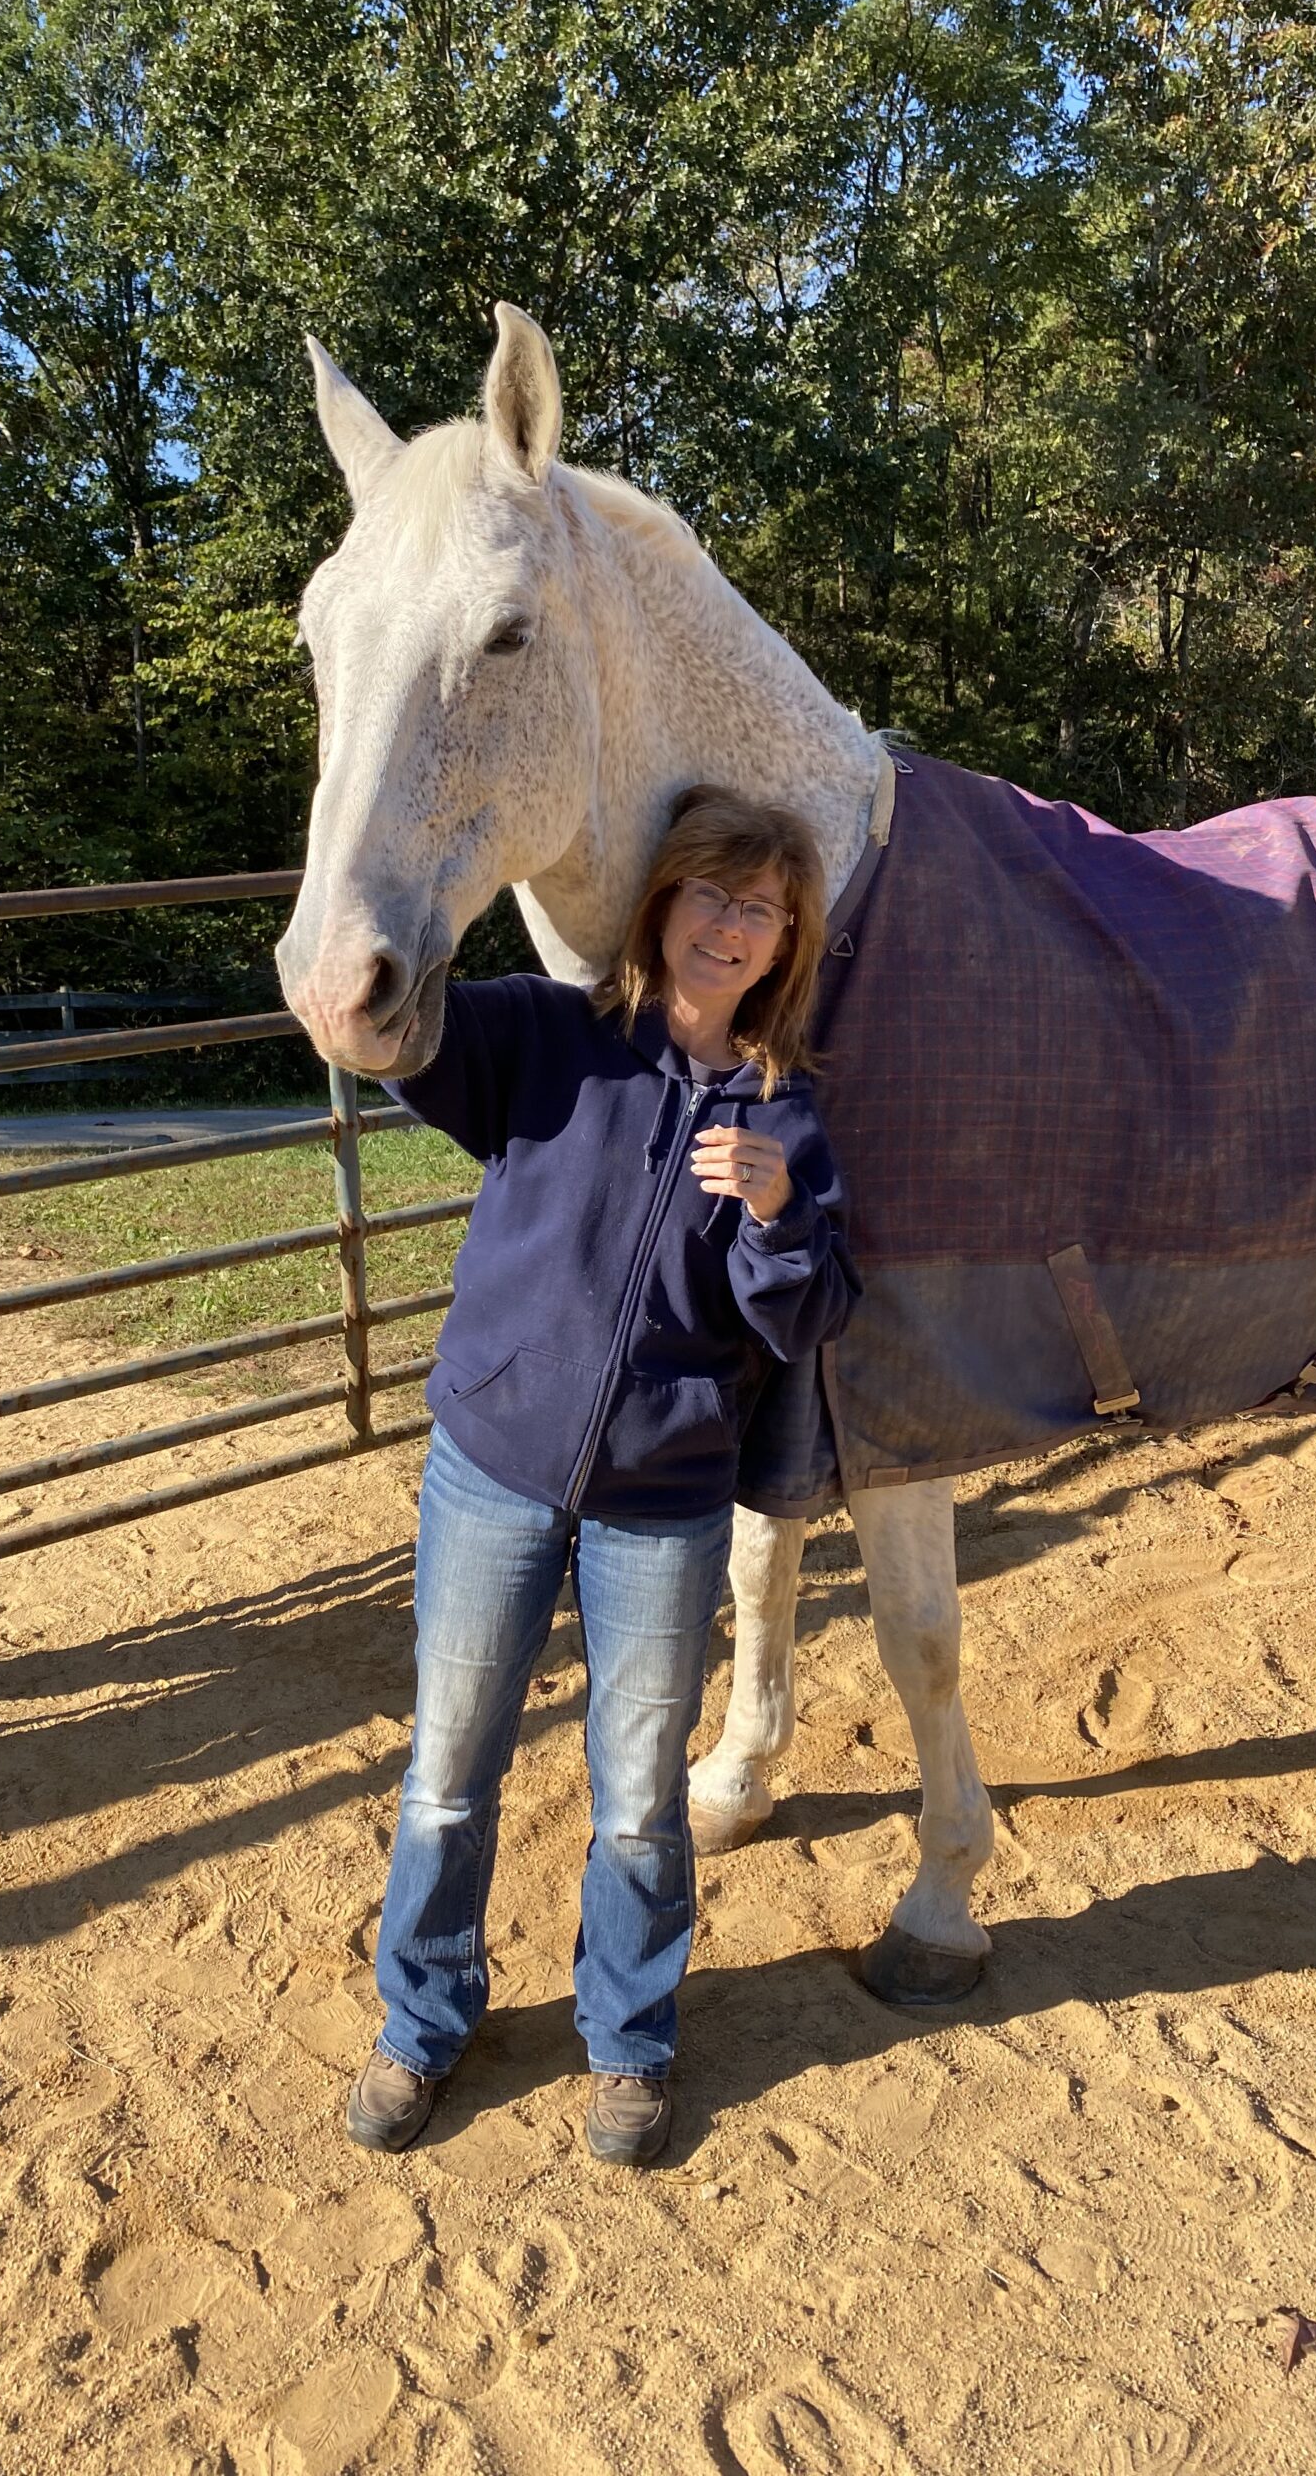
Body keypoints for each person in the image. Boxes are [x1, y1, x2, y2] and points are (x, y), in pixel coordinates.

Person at [347, 786, 859, 2166]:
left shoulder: (790, 1115)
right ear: (663, 902)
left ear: (788, 939)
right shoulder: (553, 1036)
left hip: (665, 1503)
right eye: (713, 894)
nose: (733, 926)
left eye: (763, 909)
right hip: (493, 1469)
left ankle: (628, 2046)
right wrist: (402, 893)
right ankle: (422, 2028)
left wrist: (772, 1211)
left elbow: (807, 1320)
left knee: (639, 1792)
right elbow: (402, 1039)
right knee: (449, 1771)